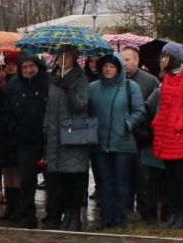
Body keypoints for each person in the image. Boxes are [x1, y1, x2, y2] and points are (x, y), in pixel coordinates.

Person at [88, 50, 143, 230]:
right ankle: (106, 217)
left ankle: (119, 217)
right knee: (104, 181)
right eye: (105, 66)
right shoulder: (93, 88)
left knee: (121, 181)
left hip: (123, 143)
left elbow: (139, 111)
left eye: (112, 66)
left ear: (118, 68)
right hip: (100, 143)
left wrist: (128, 124)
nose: (108, 69)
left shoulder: (130, 87)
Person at [42, 44, 93, 230]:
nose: (64, 59)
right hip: (55, 137)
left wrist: (69, 90)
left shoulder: (80, 78)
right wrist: (46, 128)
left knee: (74, 178)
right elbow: (48, 107)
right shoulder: (53, 78)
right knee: (58, 179)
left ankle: (74, 214)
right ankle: (62, 214)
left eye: (68, 56)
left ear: (74, 58)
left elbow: (81, 105)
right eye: (61, 56)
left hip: (74, 134)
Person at [151, 42, 183, 229]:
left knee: (182, 179)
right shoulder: (167, 78)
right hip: (166, 133)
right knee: (170, 179)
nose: (162, 60)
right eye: (162, 56)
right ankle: (173, 214)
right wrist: (158, 123)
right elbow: (165, 106)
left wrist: (178, 124)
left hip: (180, 135)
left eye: (166, 56)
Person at [0, 54, 49, 227]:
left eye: (31, 66)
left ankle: (54, 214)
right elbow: (6, 111)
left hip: (46, 138)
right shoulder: (14, 85)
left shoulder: (47, 82)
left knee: (52, 179)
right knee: (26, 179)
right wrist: (15, 130)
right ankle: (27, 214)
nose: (28, 70)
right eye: (24, 67)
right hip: (24, 140)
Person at [120, 45, 162, 222]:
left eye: (127, 60)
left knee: (143, 176)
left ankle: (145, 211)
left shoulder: (149, 81)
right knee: (124, 174)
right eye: (122, 60)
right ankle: (125, 207)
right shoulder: (116, 79)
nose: (124, 63)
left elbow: (153, 109)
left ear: (136, 60)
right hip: (122, 134)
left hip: (142, 136)